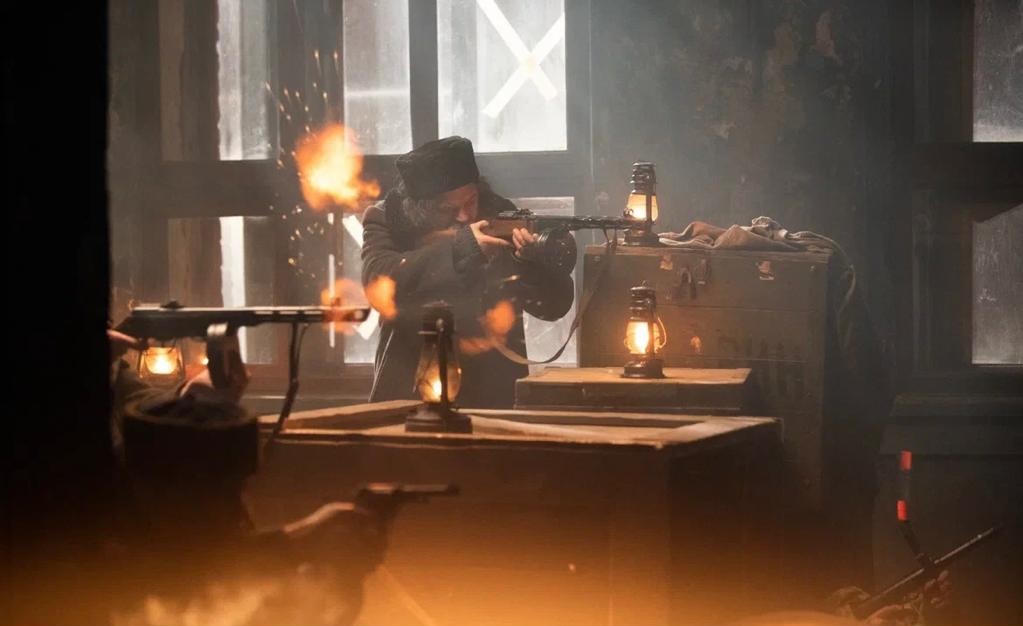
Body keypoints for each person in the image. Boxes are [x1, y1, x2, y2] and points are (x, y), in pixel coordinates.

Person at [361, 136, 574, 408]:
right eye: (447, 209)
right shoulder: (387, 218)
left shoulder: (500, 216)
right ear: (420, 207)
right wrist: (463, 248)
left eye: (471, 201)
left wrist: (528, 263)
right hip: (412, 382)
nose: (464, 215)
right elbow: (378, 281)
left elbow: (555, 306)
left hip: (492, 388)